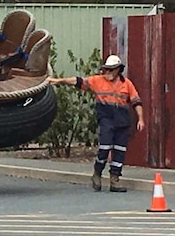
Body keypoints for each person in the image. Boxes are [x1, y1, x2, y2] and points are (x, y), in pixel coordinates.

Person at [48, 54, 144, 193]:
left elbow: (137, 102)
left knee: (120, 152)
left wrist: (141, 119)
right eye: (106, 69)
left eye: (111, 70)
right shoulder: (98, 81)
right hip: (106, 119)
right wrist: (58, 81)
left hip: (122, 122)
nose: (108, 73)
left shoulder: (127, 84)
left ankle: (114, 180)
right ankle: (97, 173)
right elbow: (78, 81)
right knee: (104, 148)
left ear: (118, 70)